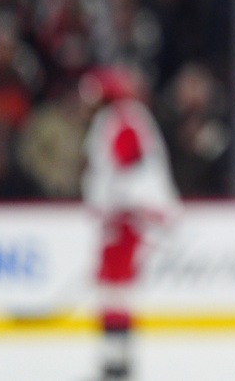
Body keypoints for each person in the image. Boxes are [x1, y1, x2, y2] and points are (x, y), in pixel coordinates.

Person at [79, 63, 182, 381]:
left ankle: (116, 364)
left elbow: (129, 165)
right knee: (115, 290)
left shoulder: (118, 118)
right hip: (127, 217)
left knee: (114, 290)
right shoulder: (125, 116)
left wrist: (117, 206)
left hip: (128, 219)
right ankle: (117, 361)